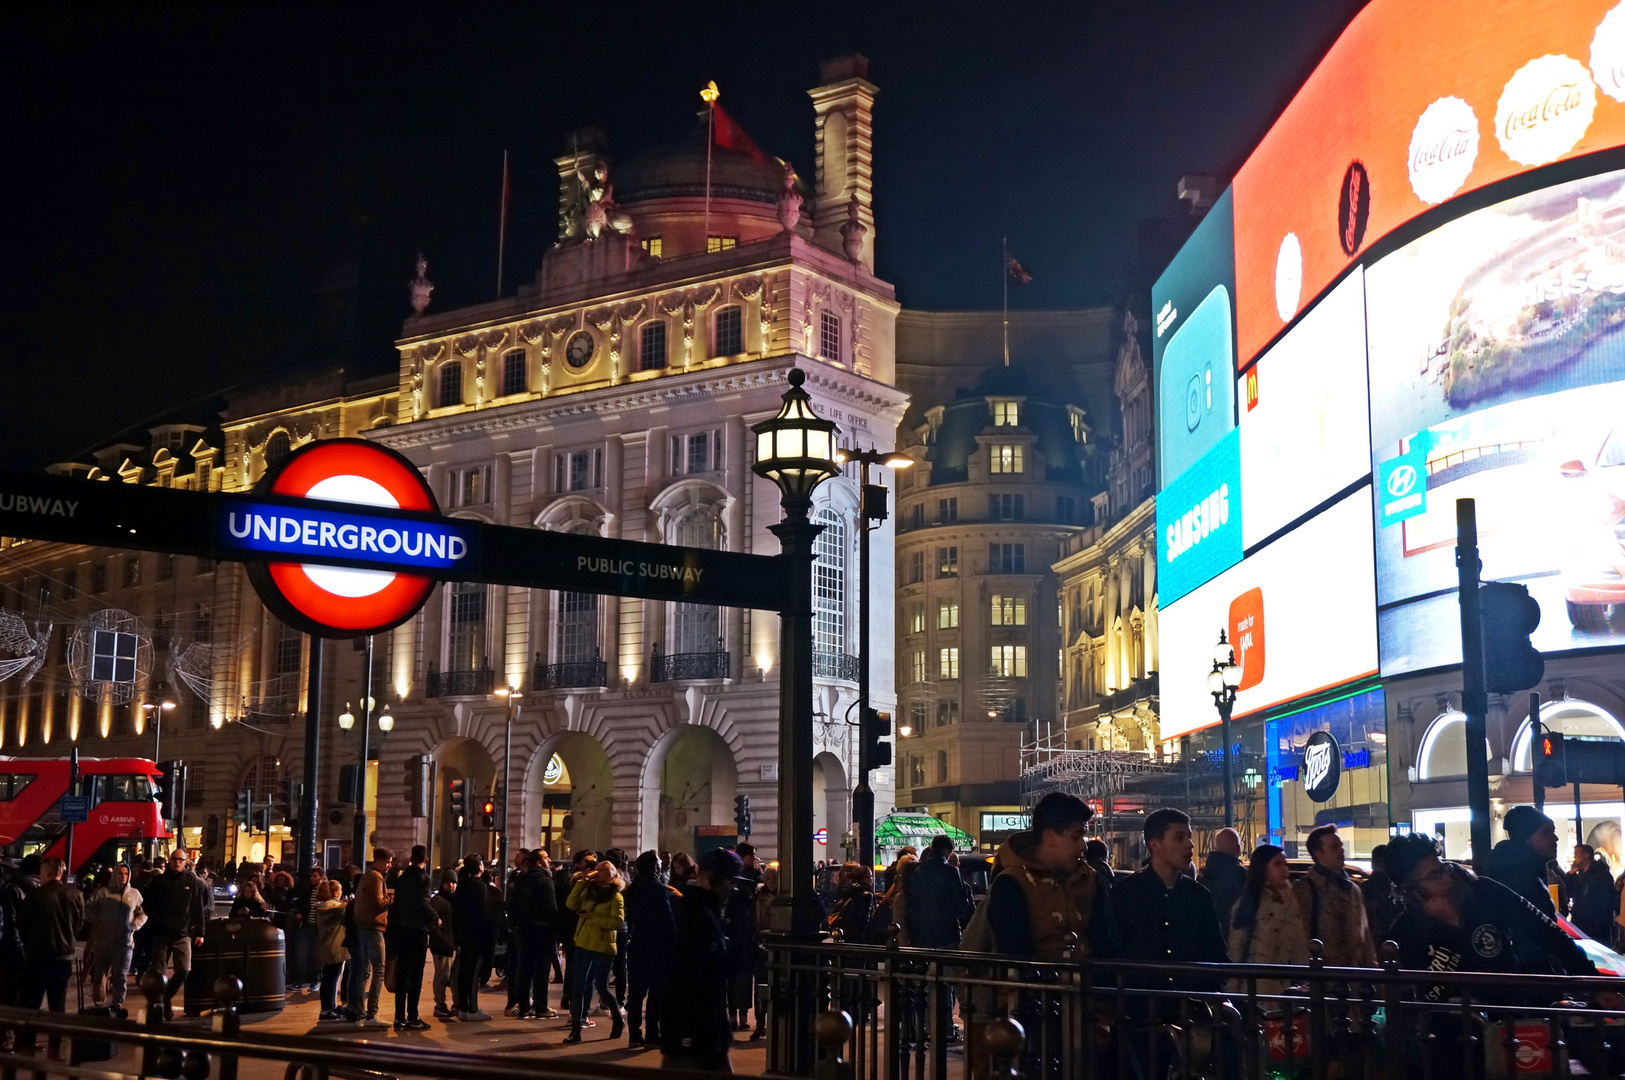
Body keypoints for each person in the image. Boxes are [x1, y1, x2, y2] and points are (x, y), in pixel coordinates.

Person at [1112, 808, 1229, 989]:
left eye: (1189, 837)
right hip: (1141, 1008)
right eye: (1179, 837)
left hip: (1192, 1008)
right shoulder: (1126, 895)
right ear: (1155, 845)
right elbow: (1113, 954)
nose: (1190, 844)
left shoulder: (1199, 896)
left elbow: (1216, 954)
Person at [661, 847, 743, 1073]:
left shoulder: (707, 910)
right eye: (729, 880)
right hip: (691, 1023)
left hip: (708, 1025)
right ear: (711, 877)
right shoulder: (693, 913)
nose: (732, 887)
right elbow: (699, 968)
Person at [1227, 845, 1309, 996]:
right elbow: (1237, 947)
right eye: (1277, 864)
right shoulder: (1249, 901)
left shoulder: (1292, 901)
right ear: (1263, 869)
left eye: (1285, 864)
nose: (1284, 870)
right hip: (1252, 986)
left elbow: (1299, 946)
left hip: (1282, 987)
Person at [1291, 825, 1376, 968]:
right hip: (1325, 976)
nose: (1341, 850)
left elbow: (1365, 936)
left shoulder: (1353, 889)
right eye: (1334, 847)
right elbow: (1300, 937)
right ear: (1318, 853)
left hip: (1355, 977)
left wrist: (1372, 970)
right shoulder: (1305, 889)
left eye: (1341, 846)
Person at [565, 859, 626, 1043]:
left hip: (602, 946)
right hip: (583, 943)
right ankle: (576, 1029)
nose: (597, 873)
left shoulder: (616, 896)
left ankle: (617, 1018)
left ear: (610, 875)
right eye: (596, 870)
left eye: (601, 871)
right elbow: (571, 903)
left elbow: (616, 922)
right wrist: (583, 881)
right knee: (578, 987)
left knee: (601, 987)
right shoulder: (589, 891)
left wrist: (591, 917)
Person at [145, 848, 209, 1021]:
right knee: (158, 973)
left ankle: (166, 997)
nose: (177, 862)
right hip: (162, 933)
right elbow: (149, 905)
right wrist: (155, 923)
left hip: (183, 933)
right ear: (170, 860)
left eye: (180, 859)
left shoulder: (191, 881)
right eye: (174, 859)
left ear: (185, 861)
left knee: (184, 970)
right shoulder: (159, 881)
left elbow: (198, 908)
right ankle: (157, 1007)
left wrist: (200, 932)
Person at [20, 857, 84, 1019]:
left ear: (47, 873)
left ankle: (28, 1041)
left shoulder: (36, 895)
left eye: (41, 872)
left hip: (38, 956)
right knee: (58, 1004)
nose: (39, 875)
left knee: (32, 1002)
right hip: (63, 957)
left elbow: (22, 923)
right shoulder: (76, 895)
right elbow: (79, 925)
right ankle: (55, 1041)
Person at [624, 850, 675, 1046]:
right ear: (655, 867)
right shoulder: (659, 889)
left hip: (638, 945)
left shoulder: (633, 888)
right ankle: (653, 1034)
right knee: (656, 994)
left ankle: (634, 1034)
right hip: (657, 947)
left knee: (636, 994)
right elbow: (667, 920)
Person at [84, 863, 145, 1015]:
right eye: (120, 873)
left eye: (125, 874)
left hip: (125, 943)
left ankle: (117, 1006)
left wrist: (134, 926)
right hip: (104, 942)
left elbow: (142, 913)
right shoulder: (102, 893)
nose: (123, 877)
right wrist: (100, 920)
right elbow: (87, 910)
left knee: (120, 976)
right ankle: (99, 1005)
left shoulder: (134, 894)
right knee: (100, 975)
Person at [1483, 807, 1562, 921]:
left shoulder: (1508, 870)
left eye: (1553, 831)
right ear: (1524, 837)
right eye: (1546, 832)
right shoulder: (1523, 882)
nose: (1555, 838)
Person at [507, 849, 559, 1020]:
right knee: (542, 970)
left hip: (523, 930)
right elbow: (551, 909)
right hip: (543, 930)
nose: (549, 860)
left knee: (525, 968)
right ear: (538, 862)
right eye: (545, 858)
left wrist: (515, 925)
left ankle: (524, 1006)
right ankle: (540, 1006)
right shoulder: (545, 881)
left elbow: (512, 904)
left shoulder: (521, 879)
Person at [388, 845, 435, 1031]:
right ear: (426, 859)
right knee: (416, 976)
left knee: (402, 975)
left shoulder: (402, 878)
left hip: (401, 931)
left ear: (412, 858)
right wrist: (435, 918)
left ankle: (399, 1018)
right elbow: (423, 903)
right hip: (418, 931)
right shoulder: (424, 879)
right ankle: (413, 1016)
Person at [346, 847, 393, 1026]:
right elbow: (379, 903)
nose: (389, 866)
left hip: (363, 928)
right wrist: (391, 898)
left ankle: (360, 1011)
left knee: (364, 971)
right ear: (380, 860)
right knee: (378, 970)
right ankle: (372, 1013)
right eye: (388, 862)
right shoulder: (376, 877)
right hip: (374, 928)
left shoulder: (366, 876)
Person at [452, 854, 496, 1021]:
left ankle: (463, 1006)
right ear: (479, 867)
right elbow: (482, 913)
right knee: (473, 973)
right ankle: (472, 1008)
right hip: (475, 935)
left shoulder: (462, 885)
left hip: (463, 934)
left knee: (465, 971)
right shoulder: (479, 886)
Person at [909, 834, 972, 950]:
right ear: (946, 851)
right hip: (947, 934)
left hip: (921, 933)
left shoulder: (918, 871)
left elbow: (913, 901)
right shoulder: (952, 872)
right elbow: (962, 903)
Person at [1198, 827, 1247, 933]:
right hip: (1230, 933)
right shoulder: (1238, 873)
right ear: (1238, 848)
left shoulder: (1203, 874)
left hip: (1207, 933)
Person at [313, 880, 349, 1020]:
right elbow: (347, 910)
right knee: (333, 978)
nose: (341, 892)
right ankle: (329, 1009)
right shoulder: (338, 908)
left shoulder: (321, 907)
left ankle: (327, 1007)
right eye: (339, 889)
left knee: (328, 977)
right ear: (335, 892)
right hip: (335, 946)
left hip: (325, 946)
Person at [428, 870, 458, 1020]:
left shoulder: (454, 900)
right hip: (443, 945)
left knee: (453, 976)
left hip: (452, 944)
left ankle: (454, 1004)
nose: (451, 885)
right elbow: (433, 925)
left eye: (453, 882)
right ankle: (440, 1004)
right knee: (442, 975)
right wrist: (442, 941)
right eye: (448, 882)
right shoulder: (438, 901)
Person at [1571, 843, 1616, 942]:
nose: (1574, 856)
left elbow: (1607, 902)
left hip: (1597, 929)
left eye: (1577, 853)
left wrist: (1600, 924)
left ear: (1586, 855)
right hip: (1582, 927)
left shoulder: (1601, 874)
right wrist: (1571, 874)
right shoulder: (1580, 876)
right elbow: (1572, 893)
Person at [1361, 844, 1400, 949]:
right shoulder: (1397, 887)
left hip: (1373, 943)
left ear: (1373, 864)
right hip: (1394, 943)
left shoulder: (1363, 888)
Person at [826, 862, 875, 942]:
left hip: (846, 932)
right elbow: (865, 919)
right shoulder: (866, 894)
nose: (872, 879)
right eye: (870, 876)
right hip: (859, 936)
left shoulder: (848, 890)